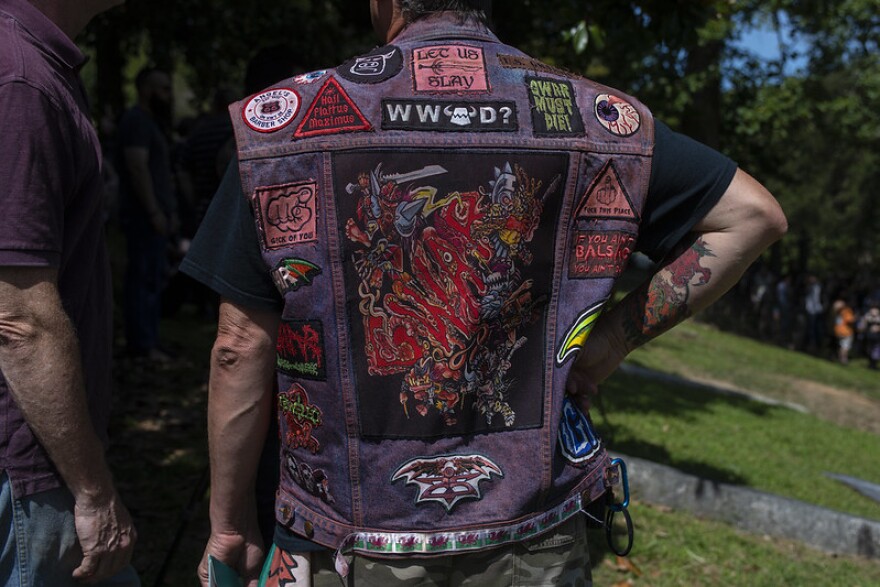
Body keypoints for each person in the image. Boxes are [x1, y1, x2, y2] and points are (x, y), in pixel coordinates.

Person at [182, 1, 787, 585]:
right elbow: (753, 217)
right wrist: (610, 342)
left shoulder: (282, 123)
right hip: (531, 527)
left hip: (346, 535)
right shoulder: (594, 117)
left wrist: (229, 524)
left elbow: (239, 347)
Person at [0, 0, 139, 585]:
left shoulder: (33, 65)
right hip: (26, 475)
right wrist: (92, 490)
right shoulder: (21, 79)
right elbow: (18, 319)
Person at [117, 66, 177, 361]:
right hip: (143, 217)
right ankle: (141, 344)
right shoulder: (137, 121)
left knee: (154, 277)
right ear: (146, 89)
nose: (168, 95)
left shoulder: (150, 122)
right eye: (162, 88)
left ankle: (149, 340)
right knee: (143, 278)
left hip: (154, 215)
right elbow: (136, 166)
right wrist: (153, 211)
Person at [831, 299, 856, 365]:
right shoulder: (838, 313)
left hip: (846, 333)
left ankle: (843, 359)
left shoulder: (846, 311)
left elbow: (851, 320)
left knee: (844, 347)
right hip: (842, 333)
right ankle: (842, 359)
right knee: (843, 347)